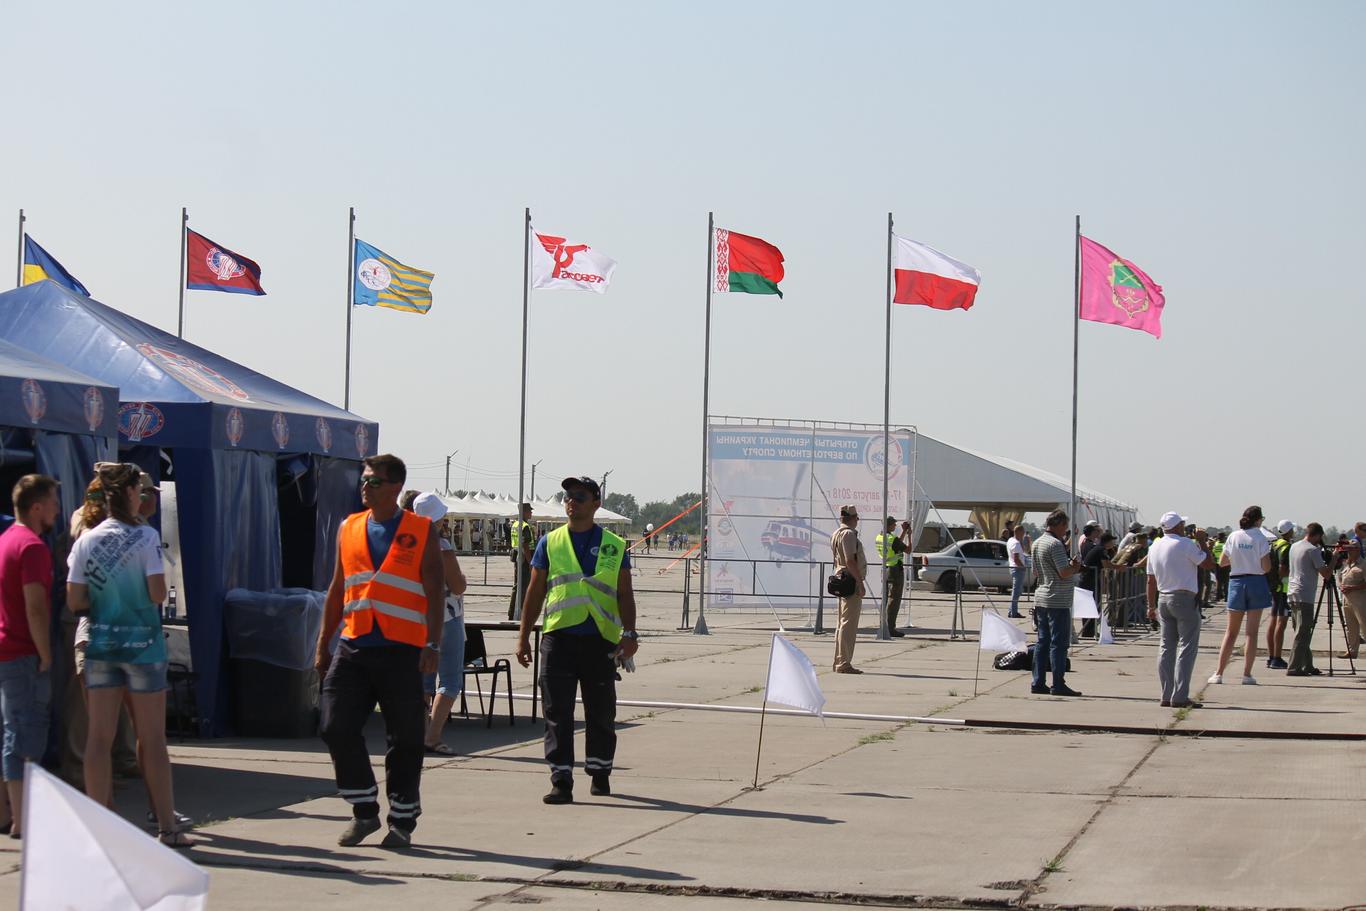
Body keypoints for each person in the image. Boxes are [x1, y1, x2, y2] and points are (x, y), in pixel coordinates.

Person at [315, 454, 444, 848]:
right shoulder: (349, 527)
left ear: (395, 488)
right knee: (335, 726)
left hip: (403, 650)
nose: (364, 487)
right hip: (353, 646)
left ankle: (402, 819)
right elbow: (338, 588)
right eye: (364, 481)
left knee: (405, 739)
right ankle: (364, 810)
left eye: (373, 482)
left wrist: (433, 643)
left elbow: (436, 590)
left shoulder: (420, 530)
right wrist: (324, 643)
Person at [67, 463, 187, 847]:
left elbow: (75, 600)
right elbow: (156, 594)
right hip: (142, 646)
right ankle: (167, 828)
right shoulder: (146, 537)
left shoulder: (87, 538)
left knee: (98, 740)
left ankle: (98, 830)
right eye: (141, 490)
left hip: (102, 643)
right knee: (151, 738)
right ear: (131, 493)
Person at [516, 476, 638, 804]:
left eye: (580, 496)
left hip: (600, 639)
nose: (572, 502)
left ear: (596, 503)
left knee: (601, 710)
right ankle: (561, 778)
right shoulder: (550, 542)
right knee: (557, 710)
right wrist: (524, 635)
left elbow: (624, 593)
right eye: (568, 496)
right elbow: (535, 590)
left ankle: (600, 771)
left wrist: (629, 634)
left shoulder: (614, 544)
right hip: (559, 636)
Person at [0, 475, 60, 837]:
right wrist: (45, 652)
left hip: (7, 649)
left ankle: (7, 813)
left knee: (8, 731)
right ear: (36, 506)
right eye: (53, 501)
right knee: (24, 734)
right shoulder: (33, 547)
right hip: (23, 651)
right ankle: (23, 819)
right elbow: (35, 605)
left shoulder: (7, 540)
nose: (56, 508)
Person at [411, 493, 468, 755]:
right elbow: (457, 585)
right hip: (446, 615)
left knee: (424, 679)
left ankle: (419, 732)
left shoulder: (407, 543)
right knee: (450, 680)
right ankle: (432, 736)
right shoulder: (441, 545)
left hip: (417, 617)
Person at [1145, 512, 1214, 707]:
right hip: (1183, 597)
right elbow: (1208, 563)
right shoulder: (1185, 544)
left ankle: (1166, 694)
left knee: (1166, 646)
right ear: (1178, 526)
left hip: (1163, 598)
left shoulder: (1155, 545)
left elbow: (1150, 579)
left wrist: (1150, 605)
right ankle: (1180, 695)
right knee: (1187, 647)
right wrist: (1202, 541)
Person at [1209, 506, 1272, 686]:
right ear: (1258, 520)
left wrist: (1239, 559)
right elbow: (1266, 567)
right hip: (1256, 582)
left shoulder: (1234, 536)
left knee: (1231, 632)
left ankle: (1219, 673)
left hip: (1236, 582)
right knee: (1251, 633)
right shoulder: (1261, 538)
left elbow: (1222, 562)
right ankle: (1246, 674)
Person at [1030, 509, 1083, 697]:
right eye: (1065, 528)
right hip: (1057, 600)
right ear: (1059, 524)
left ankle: (1038, 681)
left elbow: (1035, 572)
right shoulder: (1055, 544)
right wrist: (1075, 567)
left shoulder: (1037, 542)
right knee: (1059, 644)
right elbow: (1064, 572)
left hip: (1041, 597)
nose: (1065, 532)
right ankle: (1058, 683)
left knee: (1042, 642)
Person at [1285, 523, 1341, 677]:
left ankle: (1307, 665)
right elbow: (1327, 574)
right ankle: (1293, 667)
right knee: (1303, 633)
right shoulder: (1312, 550)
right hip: (1305, 595)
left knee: (1301, 631)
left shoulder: (1294, 546)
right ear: (1317, 535)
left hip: (1292, 593)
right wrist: (1334, 558)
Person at [830, 505, 867, 673]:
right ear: (852, 518)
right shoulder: (848, 534)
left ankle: (839, 661)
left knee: (842, 622)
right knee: (848, 624)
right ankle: (844, 663)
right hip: (850, 580)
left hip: (842, 579)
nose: (857, 521)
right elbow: (850, 561)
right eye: (857, 518)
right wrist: (860, 582)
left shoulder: (837, 533)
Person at [1265, 520, 1294, 670]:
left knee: (1273, 621)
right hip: (1283, 588)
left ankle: (1271, 657)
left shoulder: (1275, 544)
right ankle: (1277, 657)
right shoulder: (1286, 547)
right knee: (1280, 624)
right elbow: (1283, 569)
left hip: (1274, 587)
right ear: (1289, 531)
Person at [1078, 533, 1120, 638]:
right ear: (1107, 542)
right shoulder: (1101, 550)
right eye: (1112, 541)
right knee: (1092, 607)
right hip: (1089, 581)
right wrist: (1119, 567)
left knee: (1093, 607)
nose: (1113, 543)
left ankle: (1089, 631)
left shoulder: (1099, 548)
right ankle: (1088, 631)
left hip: (1089, 580)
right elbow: (1106, 565)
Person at [875, 517, 911, 636]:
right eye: (894, 524)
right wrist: (909, 536)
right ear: (889, 525)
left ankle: (883, 625)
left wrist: (904, 532)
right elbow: (908, 550)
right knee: (894, 600)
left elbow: (896, 546)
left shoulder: (880, 537)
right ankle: (890, 628)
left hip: (885, 569)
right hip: (895, 570)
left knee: (885, 599)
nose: (895, 526)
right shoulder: (892, 538)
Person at [1335, 541, 1366, 660]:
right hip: (1347, 600)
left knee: (1364, 626)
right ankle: (1352, 651)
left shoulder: (1363, 564)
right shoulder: (1346, 564)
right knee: (1351, 627)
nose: (1349, 551)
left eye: (1351, 549)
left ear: (1358, 549)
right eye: (1348, 549)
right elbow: (1340, 578)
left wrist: (1353, 588)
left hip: (1360, 601)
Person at [508, 503, 534, 620]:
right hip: (524, 558)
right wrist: (530, 563)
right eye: (529, 511)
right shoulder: (524, 526)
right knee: (523, 586)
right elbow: (525, 545)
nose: (531, 513)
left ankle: (512, 612)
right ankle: (520, 612)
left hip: (517, 557)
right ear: (524, 512)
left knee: (517, 586)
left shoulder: (515, 524)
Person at [1006, 524, 1030, 618]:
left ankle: (1011, 610)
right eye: (1023, 532)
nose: (1024, 534)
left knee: (1017, 590)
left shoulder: (1011, 540)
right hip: (1017, 568)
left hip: (1013, 568)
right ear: (1019, 532)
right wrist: (1023, 567)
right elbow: (1016, 558)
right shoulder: (1016, 543)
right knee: (1017, 591)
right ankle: (1014, 612)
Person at [1212, 532, 1229, 602]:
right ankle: (1226, 597)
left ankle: (1218, 596)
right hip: (1225, 564)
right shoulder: (1225, 545)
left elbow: (1213, 554)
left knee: (1218, 581)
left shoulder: (1215, 544)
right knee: (1226, 581)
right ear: (1223, 537)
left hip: (1217, 564)